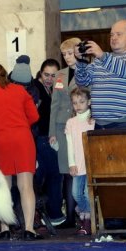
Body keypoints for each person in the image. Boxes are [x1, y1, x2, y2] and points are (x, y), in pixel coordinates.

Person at [0, 63, 41, 240]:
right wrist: (20, 126)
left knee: (3, 188)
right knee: (26, 186)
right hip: (22, 140)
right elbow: (35, 116)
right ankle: (29, 229)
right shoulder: (20, 90)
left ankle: (4, 228)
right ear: (6, 74)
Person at [74, 20, 126, 130]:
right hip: (99, 124)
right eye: (111, 35)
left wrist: (102, 55)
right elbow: (82, 82)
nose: (113, 38)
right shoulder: (99, 60)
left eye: (119, 34)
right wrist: (81, 62)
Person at [50, 38, 81, 228]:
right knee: (67, 173)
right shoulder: (59, 75)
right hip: (62, 127)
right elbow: (54, 104)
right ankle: (69, 217)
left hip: (81, 125)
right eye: (64, 54)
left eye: (70, 53)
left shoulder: (89, 71)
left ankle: (85, 216)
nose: (67, 57)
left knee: (82, 173)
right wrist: (52, 131)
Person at [33, 59, 65, 223]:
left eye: (53, 75)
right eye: (46, 74)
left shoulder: (56, 88)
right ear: (40, 73)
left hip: (52, 138)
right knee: (49, 176)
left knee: (51, 176)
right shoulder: (35, 89)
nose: (49, 78)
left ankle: (49, 214)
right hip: (39, 138)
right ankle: (50, 214)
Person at [64, 87, 95, 235]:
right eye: (75, 102)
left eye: (81, 102)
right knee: (76, 194)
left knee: (87, 193)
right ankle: (83, 211)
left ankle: (87, 221)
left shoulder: (93, 121)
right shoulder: (71, 122)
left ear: (89, 102)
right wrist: (71, 163)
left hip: (90, 163)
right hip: (77, 164)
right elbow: (70, 144)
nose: (78, 105)